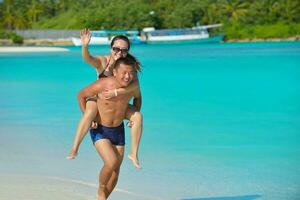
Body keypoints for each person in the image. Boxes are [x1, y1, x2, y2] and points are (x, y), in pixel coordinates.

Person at [67, 29, 142, 169]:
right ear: (111, 48)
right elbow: (88, 59)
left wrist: (117, 94)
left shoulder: (129, 69)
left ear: (128, 52)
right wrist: (84, 46)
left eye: (124, 50)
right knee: (90, 111)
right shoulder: (104, 62)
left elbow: (135, 89)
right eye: (116, 49)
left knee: (137, 116)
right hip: (97, 99)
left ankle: (134, 153)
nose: (119, 53)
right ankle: (75, 147)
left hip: (118, 105)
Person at [77, 55, 142, 200]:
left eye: (130, 73)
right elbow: (81, 94)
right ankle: (101, 189)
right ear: (115, 71)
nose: (127, 76)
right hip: (100, 128)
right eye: (116, 48)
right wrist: (88, 114)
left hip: (118, 129)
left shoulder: (132, 83)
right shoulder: (104, 74)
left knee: (116, 171)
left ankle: (102, 198)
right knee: (111, 162)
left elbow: (137, 97)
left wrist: (132, 117)